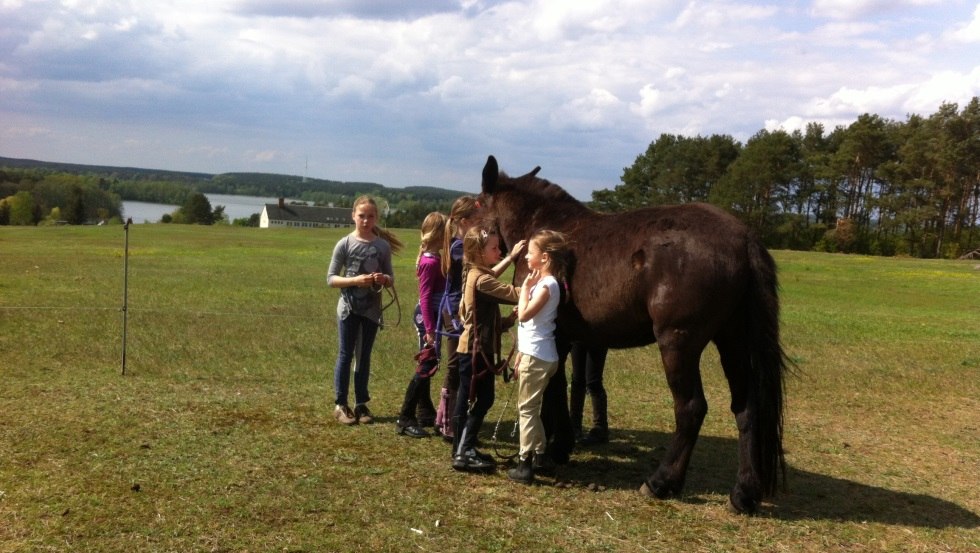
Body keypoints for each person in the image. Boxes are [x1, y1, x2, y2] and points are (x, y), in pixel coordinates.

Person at [451, 225, 525, 472]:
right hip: (475, 351)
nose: (499, 251)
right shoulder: (481, 280)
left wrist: (508, 321)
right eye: (494, 248)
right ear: (478, 252)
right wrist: (544, 285)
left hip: (474, 349)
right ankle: (464, 450)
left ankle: (464, 447)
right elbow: (512, 292)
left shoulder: (474, 274)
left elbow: (485, 317)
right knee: (481, 399)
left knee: (473, 399)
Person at [326, 195, 403, 425]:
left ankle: (361, 404)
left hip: (371, 309)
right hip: (348, 309)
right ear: (353, 216)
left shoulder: (382, 246)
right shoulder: (345, 244)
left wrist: (383, 278)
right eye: (361, 216)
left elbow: (391, 279)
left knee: (364, 356)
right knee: (345, 354)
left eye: (370, 216)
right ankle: (340, 404)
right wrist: (355, 281)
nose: (366, 220)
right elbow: (331, 279)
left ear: (376, 217)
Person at [508, 230, 570, 484]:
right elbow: (529, 320)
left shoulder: (547, 284)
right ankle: (541, 455)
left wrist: (524, 290)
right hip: (536, 353)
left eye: (530, 254)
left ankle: (525, 464)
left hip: (538, 356)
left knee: (527, 410)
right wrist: (520, 353)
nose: (526, 258)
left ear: (544, 258)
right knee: (531, 408)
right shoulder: (546, 284)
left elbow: (523, 316)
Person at [396, 212, 447, 438]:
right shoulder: (430, 262)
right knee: (427, 365)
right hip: (428, 319)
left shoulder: (436, 258)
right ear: (439, 233)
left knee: (431, 364)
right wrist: (429, 329)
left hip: (434, 318)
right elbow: (425, 297)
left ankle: (425, 411)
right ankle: (405, 417)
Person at [570, 343, 610, 445]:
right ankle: (574, 425)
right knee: (577, 379)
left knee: (593, 381)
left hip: (597, 335)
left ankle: (600, 428)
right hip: (578, 336)